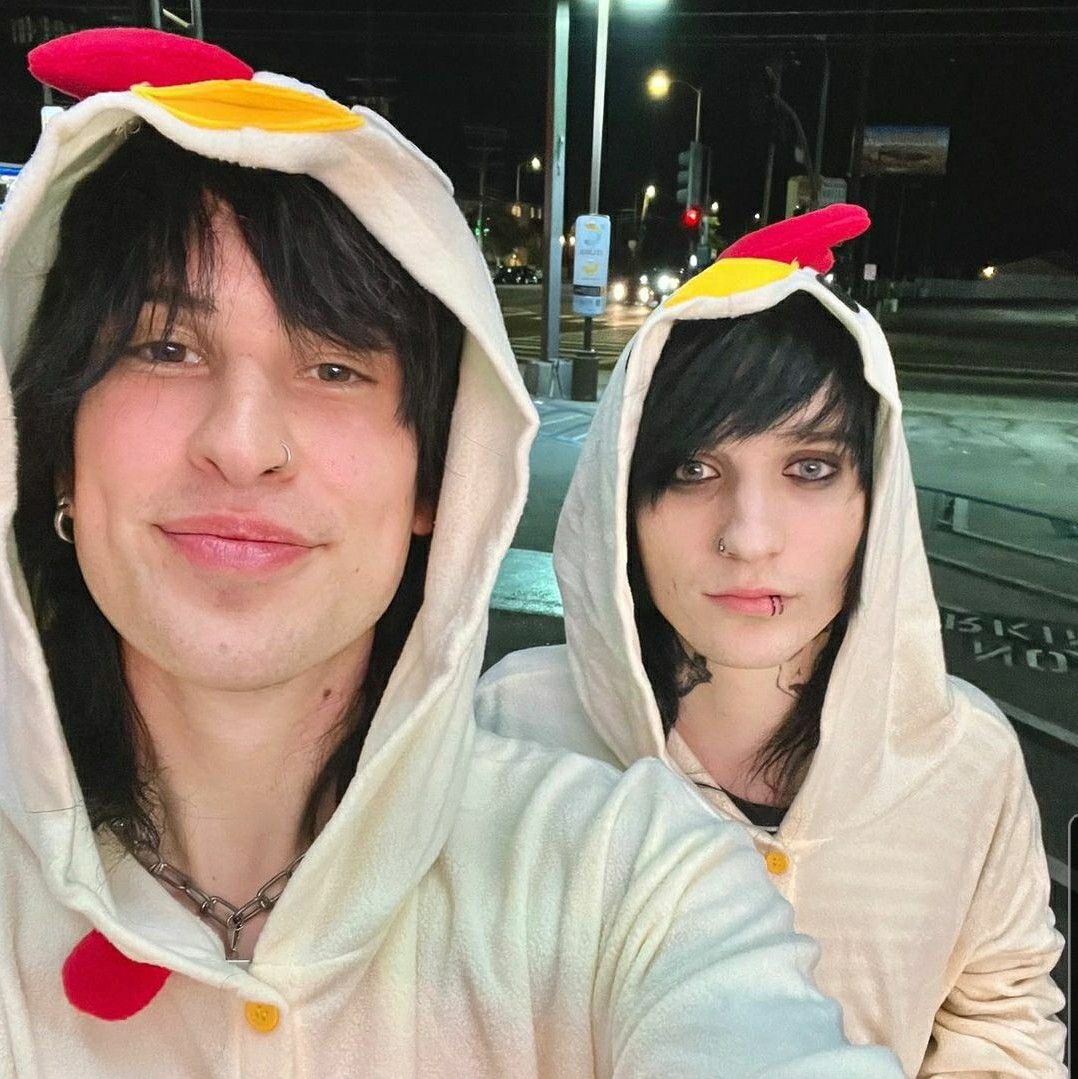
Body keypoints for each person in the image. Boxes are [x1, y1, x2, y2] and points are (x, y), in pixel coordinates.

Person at [0, 28, 902, 1077]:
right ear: (53, 449)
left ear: (439, 480)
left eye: (334, 367)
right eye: (165, 347)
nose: (242, 444)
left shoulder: (622, 878)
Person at [477, 207, 1067, 1076]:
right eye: (693, 470)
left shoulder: (963, 759)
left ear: (875, 497)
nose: (749, 537)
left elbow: (1003, 1017)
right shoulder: (512, 731)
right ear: (621, 502)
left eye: (811, 469)